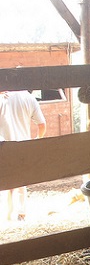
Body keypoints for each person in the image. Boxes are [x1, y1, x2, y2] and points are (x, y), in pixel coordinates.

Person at [0, 90, 46, 221]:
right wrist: (36, 140)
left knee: (6, 182)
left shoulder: (2, 98)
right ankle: (21, 214)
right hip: (23, 146)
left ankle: (7, 215)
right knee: (21, 181)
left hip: (4, 146)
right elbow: (42, 125)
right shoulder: (30, 98)